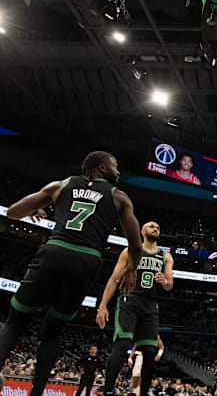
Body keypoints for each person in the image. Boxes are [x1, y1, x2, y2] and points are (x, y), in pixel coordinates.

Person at [0, 151, 142, 396]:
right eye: (114, 166)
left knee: (14, 322)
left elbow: (12, 211)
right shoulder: (118, 197)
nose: (118, 171)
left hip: (54, 251)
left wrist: (36, 212)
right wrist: (131, 270)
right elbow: (136, 244)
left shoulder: (61, 184)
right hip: (86, 261)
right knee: (53, 332)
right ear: (100, 167)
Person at [97, 221, 174, 396]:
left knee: (149, 350)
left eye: (158, 227)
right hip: (129, 300)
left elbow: (170, 285)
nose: (156, 228)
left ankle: (143, 393)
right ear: (142, 231)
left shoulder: (166, 256)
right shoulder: (130, 252)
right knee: (123, 343)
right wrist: (102, 306)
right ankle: (108, 391)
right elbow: (113, 279)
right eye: (152, 226)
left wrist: (165, 282)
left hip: (150, 304)